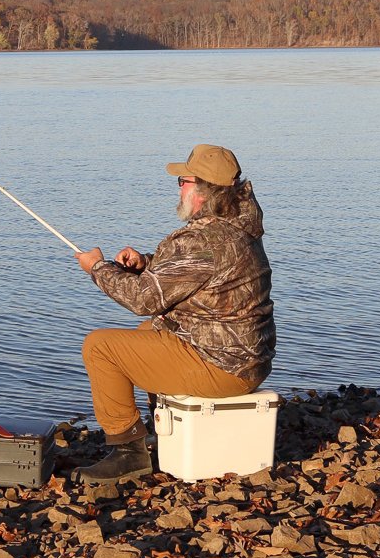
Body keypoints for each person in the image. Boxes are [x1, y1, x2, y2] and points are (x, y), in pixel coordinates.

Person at [73, 144, 275, 481]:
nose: (179, 188)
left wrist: (97, 268)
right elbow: (201, 274)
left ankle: (128, 452)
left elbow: (142, 299)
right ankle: (161, 429)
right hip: (248, 359)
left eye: (182, 180)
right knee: (145, 333)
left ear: (201, 190)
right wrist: (146, 265)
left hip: (225, 367)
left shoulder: (204, 239)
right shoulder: (237, 227)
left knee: (100, 346)